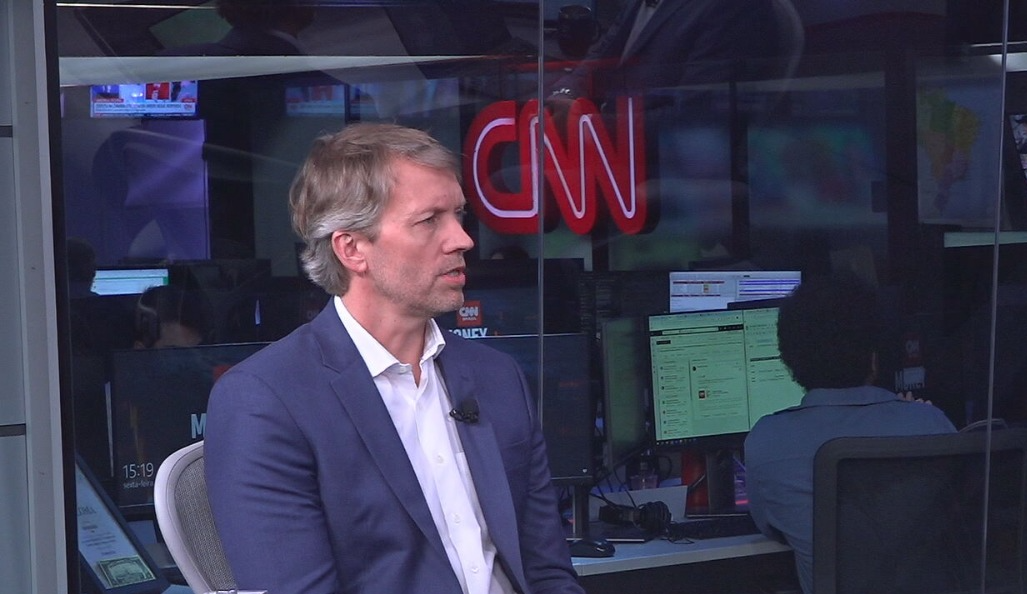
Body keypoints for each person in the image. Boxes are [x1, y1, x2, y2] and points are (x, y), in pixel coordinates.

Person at [204, 123, 586, 594]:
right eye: (429, 221)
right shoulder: (266, 402)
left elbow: (548, 573)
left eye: (458, 215)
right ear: (352, 249)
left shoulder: (497, 376)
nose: (462, 239)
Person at [744, 274, 956, 594]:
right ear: (874, 354)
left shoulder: (766, 442)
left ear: (789, 361)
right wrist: (915, 414)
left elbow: (772, 527)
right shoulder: (931, 426)